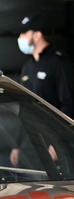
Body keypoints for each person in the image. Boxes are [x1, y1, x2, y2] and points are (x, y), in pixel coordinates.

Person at [10, 14, 74, 166]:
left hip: (53, 141)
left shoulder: (59, 63)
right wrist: (17, 145)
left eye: (24, 33)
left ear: (37, 35)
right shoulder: (27, 67)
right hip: (30, 141)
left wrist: (60, 142)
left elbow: (69, 105)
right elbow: (23, 107)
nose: (20, 38)